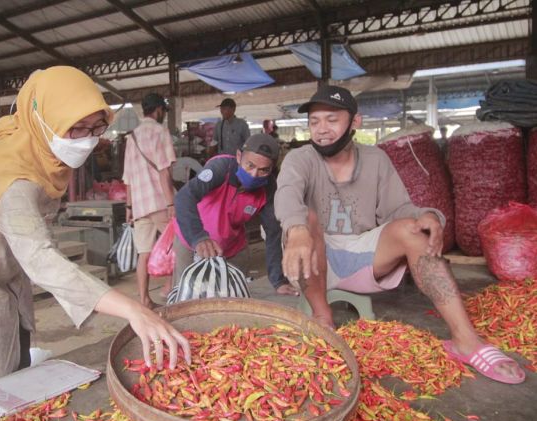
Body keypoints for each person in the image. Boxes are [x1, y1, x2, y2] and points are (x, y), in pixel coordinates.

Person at [0, 67, 190, 397]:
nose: (87, 139)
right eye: (75, 128)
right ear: (43, 118)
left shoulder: (34, 142)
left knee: (13, 366)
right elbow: (40, 259)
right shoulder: (10, 175)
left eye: (96, 127)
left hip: (4, 267)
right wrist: (133, 308)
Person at [274, 85, 525, 384]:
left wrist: (426, 216)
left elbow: (398, 209)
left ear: (355, 122)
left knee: (413, 230)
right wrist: (297, 228)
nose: (321, 130)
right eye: (314, 122)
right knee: (305, 217)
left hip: (361, 256)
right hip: (312, 258)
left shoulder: (376, 159)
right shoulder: (300, 159)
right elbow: (287, 193)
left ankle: (466, 341)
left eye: (331, 119)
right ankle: (322, 317)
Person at [173, 134, 297, 296]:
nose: (254, 175)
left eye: (263, 170)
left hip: (232, 248)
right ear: (239, 157)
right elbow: (184, 197)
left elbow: (273, 233)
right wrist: (198, 237)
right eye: (250, 165)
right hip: (192, 242)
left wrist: (278, 280)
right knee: (188, 296)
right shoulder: (221, 169)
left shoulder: (269, 189)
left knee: (232, 297)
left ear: (272, 169)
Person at [123, 93, 176, 308]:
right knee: (178, 245)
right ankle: (169, 288)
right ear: (159, 110)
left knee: (143, 253)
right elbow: (165, 171)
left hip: (139, 205)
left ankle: (144, 300)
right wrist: (171, 203)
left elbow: (127, 177)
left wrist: (129, 206)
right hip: (160, 202)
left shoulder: (131, 136)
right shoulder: (160, 131)